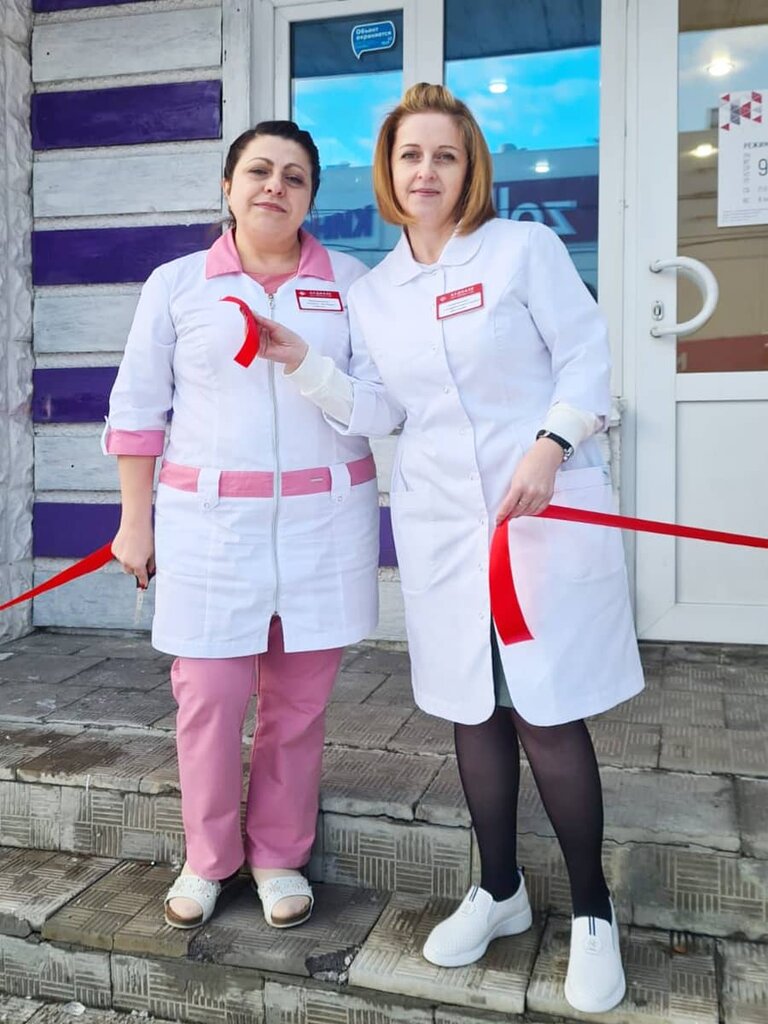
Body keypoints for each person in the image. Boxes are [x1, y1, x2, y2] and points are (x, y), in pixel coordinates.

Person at [251, 84, 645, 1014]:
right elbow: (380, 408)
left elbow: (586, 357)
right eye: (409, 155)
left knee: (545, 707)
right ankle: (500, 891)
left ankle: (592, 911)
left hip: (538, 513)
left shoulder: (523, 251)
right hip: (443, 523)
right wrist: (303, 362)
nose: (425, 171)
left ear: (470, 170)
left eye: (444, 155)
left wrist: (551, 445)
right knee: (473, 707)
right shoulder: (375, 294)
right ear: (387, 173)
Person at [105, 122, 379, 931]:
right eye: (258, 171)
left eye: (294, 177)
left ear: (311, 198)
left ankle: (279, 855)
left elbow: (382, 401)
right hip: (210, 526)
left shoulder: (353, 285)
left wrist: (308, 364)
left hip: (322, 525)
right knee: (209, 697)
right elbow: (137, 409)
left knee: (298, 704)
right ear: (228, 187)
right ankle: (209, 857)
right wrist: (134, 523)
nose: (274, 187)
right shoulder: (178, 284)